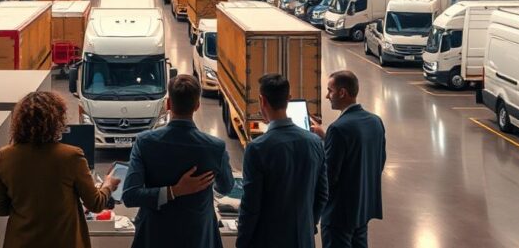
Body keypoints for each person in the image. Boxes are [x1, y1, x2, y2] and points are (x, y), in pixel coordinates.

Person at [0, 91, 120, 248]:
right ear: (56, 121)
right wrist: (108, 185)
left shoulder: (6, 155)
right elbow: (95, 204)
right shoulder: (71, 156)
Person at [122, 74, 234, 248]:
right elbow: (226, 187)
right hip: (198, 238)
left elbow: (130, 196)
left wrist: (170, 192)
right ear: (197, 105)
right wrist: (182, 189)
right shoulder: (215, 147)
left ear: (168, 104)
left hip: (154, 237)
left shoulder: (145, 142)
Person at [237, 74, 328, 248]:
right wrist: (308, 225)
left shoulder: (257, 149)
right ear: (289, 99)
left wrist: (242, 241)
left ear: (262, 100)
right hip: (304, 239)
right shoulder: (315, 142)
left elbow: (251, 205)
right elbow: (322, 194)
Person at [310, 70, 386, 248]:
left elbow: (329, 177)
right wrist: (326, 136)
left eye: (330, 90)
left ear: (342, 92)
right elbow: (378, 163)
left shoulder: (338, 129)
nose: (327, 96)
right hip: (362, 210)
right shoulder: (375, 121)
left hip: (339, 215)